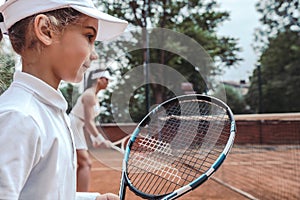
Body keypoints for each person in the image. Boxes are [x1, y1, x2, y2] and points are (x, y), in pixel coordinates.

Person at [0, 0, 127, 199]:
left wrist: (92, 199)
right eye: (89, 36)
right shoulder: (18, 117)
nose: (94, 55)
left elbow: (48, 193)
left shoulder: (49, 111)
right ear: (46, 30)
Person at [70, 69, 113, 192]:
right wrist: (100, 139)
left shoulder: (93, 95)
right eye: (106, 79)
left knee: (84, 163)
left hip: (77, 126)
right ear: (98, 79)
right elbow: (89, 122)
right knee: (85, 163)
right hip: (73, 126)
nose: (108, 82)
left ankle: (80, 195)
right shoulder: (89, 95)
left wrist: (95, 139)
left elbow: (87, 122)